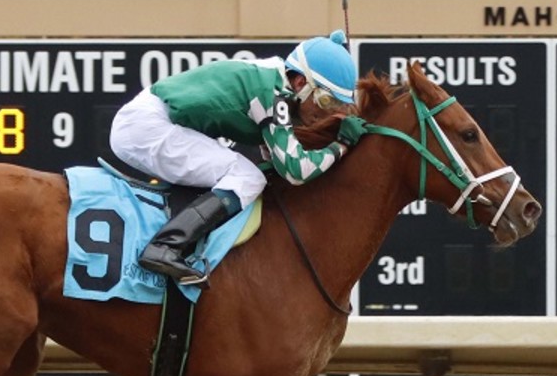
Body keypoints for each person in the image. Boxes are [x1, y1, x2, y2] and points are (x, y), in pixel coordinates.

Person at [109, 29, 365, 286]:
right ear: (300, 83)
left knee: (250, 174)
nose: (328, 112)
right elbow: (296, 171)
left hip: (150, 121)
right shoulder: (273, 95)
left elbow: (275, 158)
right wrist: (341, 146)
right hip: (146, 127)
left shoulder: (276, 81)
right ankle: (164, 247)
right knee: (247, 176)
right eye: (326, 101)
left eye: (338, 105)